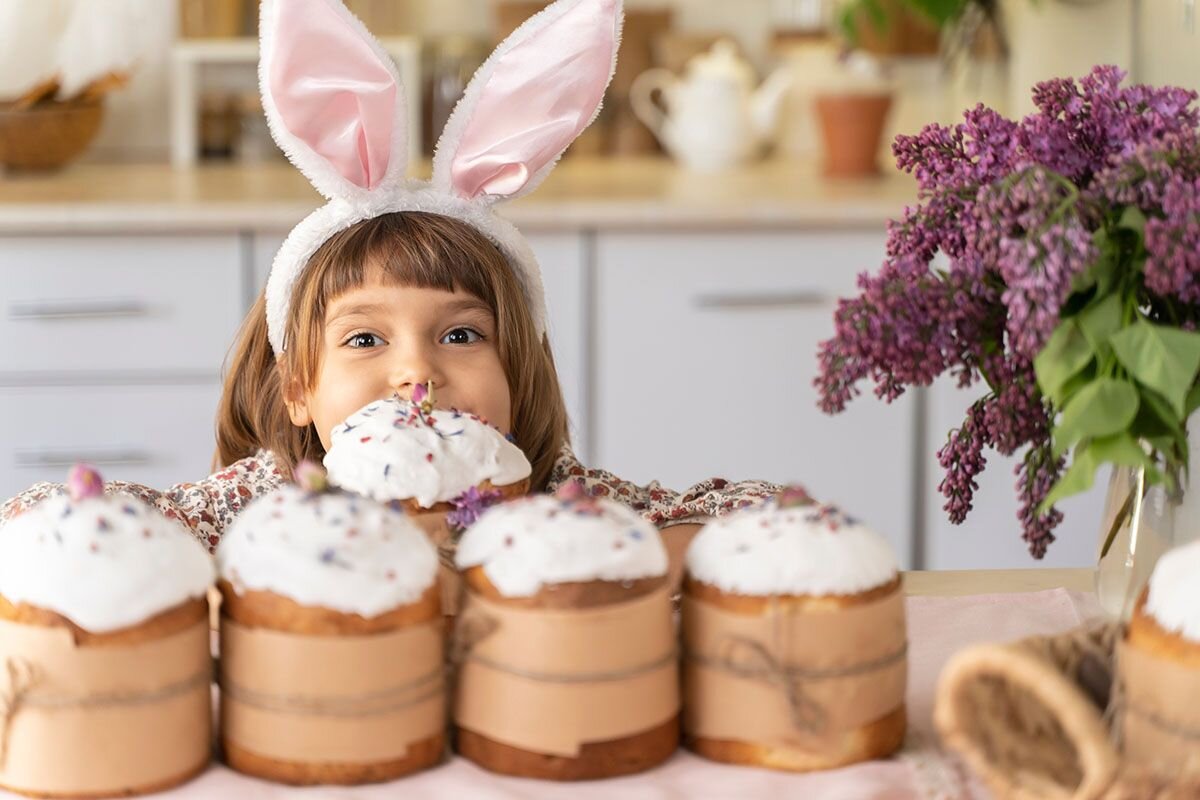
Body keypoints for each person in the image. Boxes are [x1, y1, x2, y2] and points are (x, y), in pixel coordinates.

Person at [0, 0, 780, 585]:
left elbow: (758, 519)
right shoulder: (266, 503)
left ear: (519, 372)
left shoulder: (553, 499)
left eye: (462, 335)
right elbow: (35, 520)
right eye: (366, 339)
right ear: (299, 389)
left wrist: (631, 556)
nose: (418, 375)